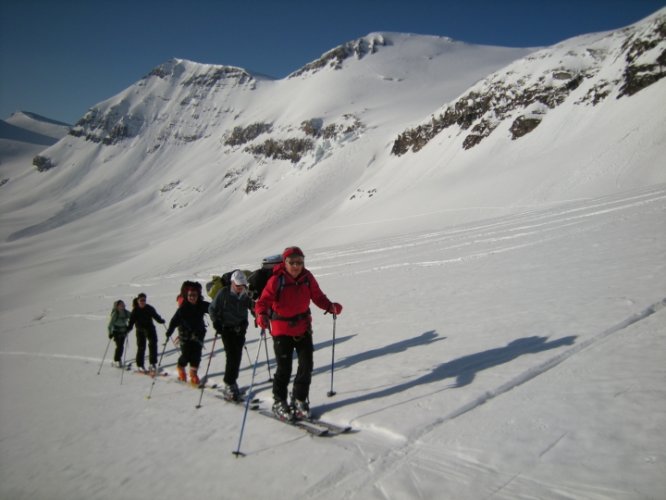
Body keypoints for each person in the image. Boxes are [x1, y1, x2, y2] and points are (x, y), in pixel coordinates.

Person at [255, 246, 343, 421]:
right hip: (281, 330)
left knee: (306, 366)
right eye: (292, 262)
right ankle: (279, 401)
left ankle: (299, 399)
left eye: (299, 262)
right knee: (284, 369)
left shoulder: (307, 278)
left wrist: (330, 306)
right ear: (285, 263)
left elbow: (317, 296)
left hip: (303, 327)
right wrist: (261, 315)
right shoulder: (276, 280)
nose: (296, 266)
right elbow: (263, 301)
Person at [208, 270, 252, 401]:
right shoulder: (223, 293)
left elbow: (252, 306)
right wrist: (216, 322)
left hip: (241, 329)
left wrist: (258, 313)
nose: (240, 288)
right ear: (232, 283)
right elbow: (212, 308)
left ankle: (232, 382)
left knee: (237, 356)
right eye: (238, 285)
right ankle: (229, 383)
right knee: (232, 356)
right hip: (226, 329)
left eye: (242, 285)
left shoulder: (245, 294)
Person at [165, 284, 210, 385]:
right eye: (190, 295)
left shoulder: (201, 305)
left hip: (199, 334)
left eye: (194, 295)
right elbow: (174, 321)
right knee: (186, 355)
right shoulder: (183, 308)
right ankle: (181, 367)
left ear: (198, 295)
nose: (192, 297)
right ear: (187, 296)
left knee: (196, 355)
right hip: (185, 335)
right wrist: (170, 331)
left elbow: (213, 308)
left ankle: (193, 374)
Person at [127, 293, 166, 373]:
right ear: (138, 301)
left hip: (150, 329)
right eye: (141, 300)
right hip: (140, 330)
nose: (142, 302)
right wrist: (128, 329)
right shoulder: (135, 310)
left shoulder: (149, 308)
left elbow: (155, 316)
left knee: (153, 345)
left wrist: (160, 320)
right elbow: (131, 322)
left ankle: (152, 364)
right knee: (141, 347)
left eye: (144, 300)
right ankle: (140, 365)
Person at [107, 300, 131, 367]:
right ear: (117, 306)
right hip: (116, 332)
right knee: (119, 346)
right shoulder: (115, 314)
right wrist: (110, 333)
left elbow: (132, 316)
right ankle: (117, 360)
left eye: (123, 304)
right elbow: (110, 325)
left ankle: (118, 359)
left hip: (123, 332)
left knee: (121, 346)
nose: (122, 305)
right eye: (120, 304)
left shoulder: (126, 312)